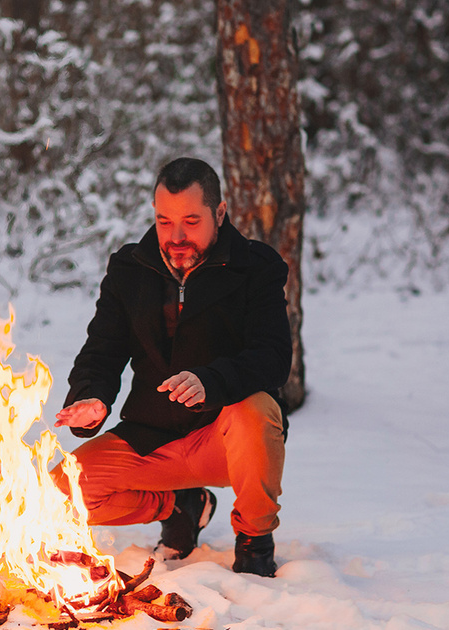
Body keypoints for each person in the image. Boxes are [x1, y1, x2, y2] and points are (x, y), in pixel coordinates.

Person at [53, 157, 291, 577]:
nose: (176, 237)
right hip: (152, 437)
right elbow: (102, 351)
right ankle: (180, 506)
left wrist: (211, 381)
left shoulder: (256, 267)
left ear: (219, 213)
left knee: (256, 410)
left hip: (227, 436)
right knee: (54, 495)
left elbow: (271, 356)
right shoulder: (130, 269)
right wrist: (91, 396)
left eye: (191, 221)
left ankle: (255, 540)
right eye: (165, 222)